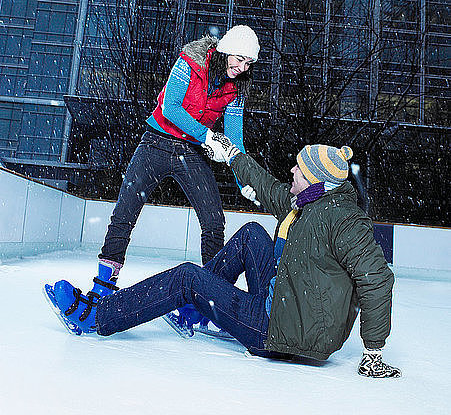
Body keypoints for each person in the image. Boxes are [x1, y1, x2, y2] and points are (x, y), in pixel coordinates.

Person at [48, 135, 401, 378]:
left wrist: (373, 350)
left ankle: (97, 317)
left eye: (298, 169)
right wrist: (232, 155)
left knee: (187, 276)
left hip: (284, 333)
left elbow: (378, 278)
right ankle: (192, 310)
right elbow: (268, 187)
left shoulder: (344, 219)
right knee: (251, 234)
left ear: (313, 180)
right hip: (286, 306)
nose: (291, 171)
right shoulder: (309, 204)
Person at [45, 25, 260, 330]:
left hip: (192, 154)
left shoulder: (238, 88)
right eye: (238, 59)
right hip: (156, 143)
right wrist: (208, 136)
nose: (241, 68)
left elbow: (235, 138)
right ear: (225, 50)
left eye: (248, 63)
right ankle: (103, 288)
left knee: (214, 222)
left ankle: (206, 303)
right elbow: (170, 108)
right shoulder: (190, 61)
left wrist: (244, 181)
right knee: (124, 213)